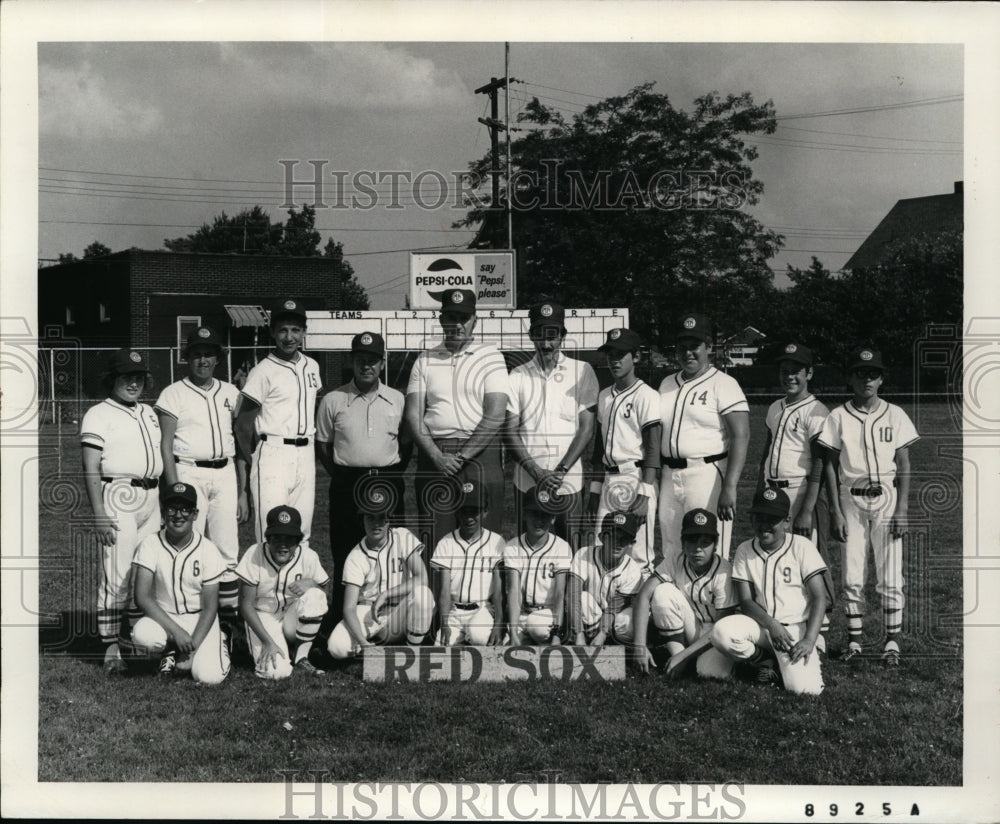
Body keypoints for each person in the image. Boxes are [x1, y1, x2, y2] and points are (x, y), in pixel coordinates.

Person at [817, 346, 918, 665]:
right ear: (850, 378)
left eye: (873, 374)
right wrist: (834, 510)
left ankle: (892, 642)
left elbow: (903, 464)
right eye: (860, 374)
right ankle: (855, 640)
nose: (867, 380)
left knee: (890, 573)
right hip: (851, 498)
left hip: (887, 497)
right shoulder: (838, 416)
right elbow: (830, 466)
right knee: (853, 573)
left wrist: (902, 509)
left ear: (882, 379)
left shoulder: (895, 413)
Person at [155, 325, 246, 635]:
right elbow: (165, 445)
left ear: (217, 358)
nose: (202, 360)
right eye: (196, 354)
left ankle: (228, 629)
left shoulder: (231, 393)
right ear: (187, 358)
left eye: (208, 354)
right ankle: (184, 619)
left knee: (227, 550)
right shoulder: (173, 392)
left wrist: (243, 491)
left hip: (224, 472)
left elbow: (243, 443)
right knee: (187, 544)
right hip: (188, 471)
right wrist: (172, 489)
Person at [315, 330, 411, 621]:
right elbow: (323, 444)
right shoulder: (333, 399)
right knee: (345, 548)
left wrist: (388, 471)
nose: (366, 366)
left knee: (392, 549)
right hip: (347, 482)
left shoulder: (398, 399)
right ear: (351, 362)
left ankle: (394, 615)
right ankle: (342, 617)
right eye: (360, 360)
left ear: (382, 363)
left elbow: (405, 444)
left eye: (372, 360)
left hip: (388, 479)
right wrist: (346, 474)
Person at [404, 288, 509, 551]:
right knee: (436, 539)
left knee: (485, 539)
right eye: (450, 317)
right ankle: (437, 593)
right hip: (435, 456)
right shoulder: (425, 359)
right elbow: (413, 415)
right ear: (441, 319)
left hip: (480, 454)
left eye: (463, 317)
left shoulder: (490, 356)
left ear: (475, 320)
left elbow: (495, 415)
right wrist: (437, 456)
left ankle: (486, 593)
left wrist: (462, 457)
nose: (457, 324)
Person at [80, 348, 163, 675]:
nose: (133, 383)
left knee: (145, 569)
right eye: (126, 377)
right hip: (118, 493)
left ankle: (132, 636)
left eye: (138, 377)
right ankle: (111, 646)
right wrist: (98, 512)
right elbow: (89, 467)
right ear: (112, 379)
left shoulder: (149, 412)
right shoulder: (98, 413)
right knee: (117, 572)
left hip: (151, 495)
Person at [757, 342, 836, 648]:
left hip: (799, 489)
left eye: (797, 371)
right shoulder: (776, 407)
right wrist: (759, 488)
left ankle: (821, 629)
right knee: (778, 557)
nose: (790, 376)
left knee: (807, 558)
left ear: (809, 373)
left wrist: (806, 509)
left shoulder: (817, 410)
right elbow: (767, 448)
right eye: (785, 370)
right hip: (772, 489)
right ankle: (788, 618)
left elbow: (819, 461)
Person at [711, 488, 827, 695]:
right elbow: (745, 601)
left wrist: (808, 639)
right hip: (760, 625)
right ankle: (763, 659)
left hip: (793, 629)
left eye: (772, 519)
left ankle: (813, 646)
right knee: (721, 633)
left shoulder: (802, 546)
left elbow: (820, 597)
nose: (764, 525)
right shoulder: (745, 549)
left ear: (787, 521)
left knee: (805, 691)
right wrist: (771, 624)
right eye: (759, 517)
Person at [658, 313, 749, 561]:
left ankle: (715, 599)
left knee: (708, 544)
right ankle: (675, 599)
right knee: (671, 543)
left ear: (708, 346)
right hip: (669, 474)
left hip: (706, 472)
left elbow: (741, 435)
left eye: (695, 346)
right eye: (683, 347)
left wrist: (730, 486)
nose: (689, 353)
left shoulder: (724, 383)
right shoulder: (667, 383)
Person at [506, 301, 598, 548]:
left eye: (552, 335)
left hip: (567, 480)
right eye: (539, 335)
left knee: (570, 547)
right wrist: (536, 472)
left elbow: (586, 428)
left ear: (562, 336)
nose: (546, 343)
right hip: (527, 480)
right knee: (527, 546)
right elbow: (509, 430)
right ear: (531, 336)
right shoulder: (517, 375)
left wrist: (560, 471)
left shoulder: (582, 371)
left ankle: (570, 588)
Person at [235, 298, 323, 544]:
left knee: (302, 531)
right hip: (273, 451)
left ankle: (296, 582)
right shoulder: (263, 370)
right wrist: (257, 456)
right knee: (271, 530)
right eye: (283, 329)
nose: (289, 336)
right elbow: (243, 424)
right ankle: (266, 583)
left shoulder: (312, 366)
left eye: (295, 329)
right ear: (273, 332)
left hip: (306, 453)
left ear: (304, 332)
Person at [130, 482, 230, 684]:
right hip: (165, 620)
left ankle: (221, 641)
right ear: (163, 512)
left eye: (185, 509)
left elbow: (211, 608)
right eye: (172, 508)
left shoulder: (208, 549)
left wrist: (191, 652)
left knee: (208, 677)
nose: (178, 515)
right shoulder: (151, 543)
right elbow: (141, 597)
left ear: (195, 514)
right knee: (142, 634)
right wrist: (177, 632)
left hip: (200, 620)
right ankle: (170, 650)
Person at [327, 487, 435, 658]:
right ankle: (371, 647)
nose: (376, 524)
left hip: (401, 613)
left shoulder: (402, 536)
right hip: (369, 614)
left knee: (423, 594)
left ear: (389, 520)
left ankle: (411, 651)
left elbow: (422, 578)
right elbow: (348, 608)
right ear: (362, 519)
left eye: (381, 518)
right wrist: (362, 641)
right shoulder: (355, 556)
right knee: (336, 647)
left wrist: (386, 594)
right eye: (370, 517)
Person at [630, 508, 737, 678]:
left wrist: (685, 656)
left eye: (705, 542)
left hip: (716, 633)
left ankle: (683, 658)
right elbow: (644, 595)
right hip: (691, 625)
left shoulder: (724, 572)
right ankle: (676, 654)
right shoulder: (676, 559)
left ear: (716, 544)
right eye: (692, 541)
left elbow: (721, 627)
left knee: (711, 673)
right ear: (682, 542)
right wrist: (639, 645)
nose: (697, 549)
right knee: (662, 591)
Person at [587, 327, 661, 574]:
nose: (614, 360)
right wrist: (595, 488)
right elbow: (599, 447)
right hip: (609, 478)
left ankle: (639, 610)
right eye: (610, 354)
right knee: (604, 547)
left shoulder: (647, 395)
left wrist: (646, 492)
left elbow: (653, 447)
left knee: (638, 554)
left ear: (636, 357)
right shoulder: (604, 396)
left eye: (621, 354)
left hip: (634, 476)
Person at [235, 505, 331, 678]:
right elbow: (246, 606)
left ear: (298, 540)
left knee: (315, 595)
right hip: (262, 617)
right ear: (268, 538)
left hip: (291, 616)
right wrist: (268, 642)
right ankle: (281, 648)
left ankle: (301, 658)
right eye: (277, 538)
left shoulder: (308, 556)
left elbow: (325, 593)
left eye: (290, 539)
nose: (283, 545)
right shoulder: (254, 554)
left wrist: (312, 583)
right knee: (276, 672)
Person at [430, 479, 505, 646]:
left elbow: (499, 593)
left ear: (485, 511)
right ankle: (463, 640)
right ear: (456, 512)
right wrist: (444, 624)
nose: (469, 517)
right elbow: (444, 591)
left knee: (479, 636)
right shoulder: (446, 542)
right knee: (440, 647)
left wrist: (499, 625)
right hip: (454, 611)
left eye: (474, 511)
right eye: (464, 511)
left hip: (482, 609)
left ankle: (471, 638)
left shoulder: (496, 542)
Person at [503, 487, 574, 645]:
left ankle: (547, 636)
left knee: (538, 628)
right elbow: (514, 591)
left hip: (546, 613)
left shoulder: (561, 547)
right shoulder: (512, 546)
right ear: (525, 515)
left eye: (545, 515)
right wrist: (513, 632)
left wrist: (556, 633)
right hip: (521, 613)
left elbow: (559, 594)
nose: (539, 520)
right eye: (534, 513)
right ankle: (529, 638)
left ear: (553, 518)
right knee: (505, 647)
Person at [566, 512, 645, 648]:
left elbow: (615, 607)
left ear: (632, 543)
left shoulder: (633, 571)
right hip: (589, 612)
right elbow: (572, 595)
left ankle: (603, 636)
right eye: (612, 536)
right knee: (582, 598)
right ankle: (584, 633)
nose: (617, 543)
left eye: (624, 539)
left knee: (629, 623)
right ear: (602, 537)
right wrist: (578, 634)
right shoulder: (584, 554)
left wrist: (602, 633)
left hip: (614, 618)